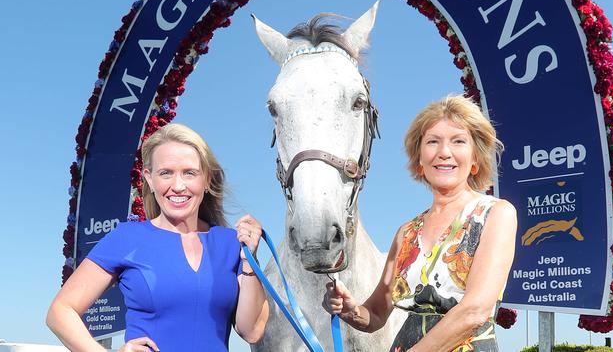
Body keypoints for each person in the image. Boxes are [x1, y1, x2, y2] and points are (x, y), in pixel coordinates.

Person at [47, 123, 269, 351]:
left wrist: (249, 260)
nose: (178, 186)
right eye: (166, 173)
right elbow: (60, 311)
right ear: (150, 179)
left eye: (189, 173)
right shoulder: (127, 238)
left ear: (207, 180)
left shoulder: (231, 244)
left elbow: (252, 331)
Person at [322, 95, 517, 351]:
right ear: (420, 160)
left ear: (475, 159)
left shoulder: (496, 213)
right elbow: (377, 313)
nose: (444, 152)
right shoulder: (406, 232)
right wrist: (351, 310)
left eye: (458, 141)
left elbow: (474, 311)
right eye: (433, 142)